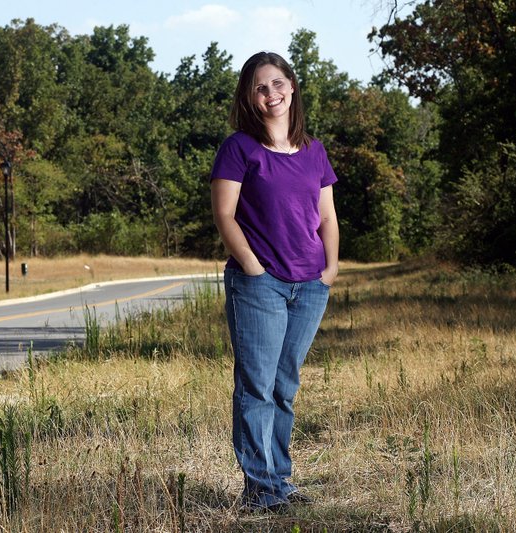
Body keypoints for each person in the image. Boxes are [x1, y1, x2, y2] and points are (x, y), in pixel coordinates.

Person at [210, 51, 339, 512]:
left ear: (292, 87)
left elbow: (326, 216)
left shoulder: (314, 150)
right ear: (250, 95)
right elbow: (224, 214)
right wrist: (252, 266)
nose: (272, 94)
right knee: (257, 385)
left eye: (278, 83)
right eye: (261, 87)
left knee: (285, 385)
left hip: (309, 284)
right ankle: (261, 490)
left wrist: (331, 267)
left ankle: (279, 482)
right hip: (260, 284)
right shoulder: (239, 148)